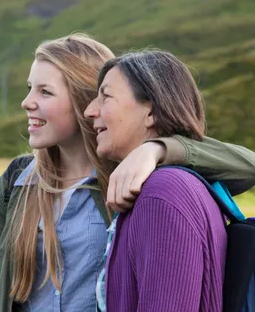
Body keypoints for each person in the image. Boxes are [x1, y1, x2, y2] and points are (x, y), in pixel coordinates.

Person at [0, 34, 255, 312]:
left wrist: (159, 148)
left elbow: (248, 166)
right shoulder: (17, 181)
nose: (27, 102)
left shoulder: (130, 177)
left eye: (45, 92)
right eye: (29, 88)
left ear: (84, 97)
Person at [85, 50, 229, 311]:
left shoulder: (163, 193)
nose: (89, 111)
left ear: (150, 111)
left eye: (105, 97)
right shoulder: (159, 188)